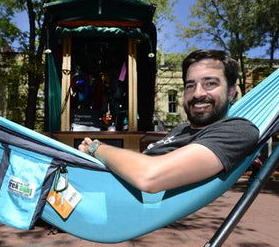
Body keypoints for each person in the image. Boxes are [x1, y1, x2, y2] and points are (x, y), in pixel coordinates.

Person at [78, 50, 259, 193]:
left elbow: (149, 176)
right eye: (190, 85)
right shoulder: (183, 130)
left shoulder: (238, 130)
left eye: (210, 83)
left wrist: (96, 148)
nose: (197, 94)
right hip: (103, 186)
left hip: (110, 200)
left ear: (231, 92)